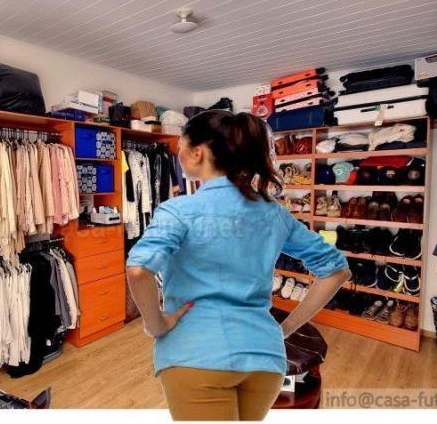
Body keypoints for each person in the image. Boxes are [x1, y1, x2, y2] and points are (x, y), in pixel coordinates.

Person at [126, 110, 350, 421]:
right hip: (265, 358)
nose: (178, 154)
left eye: (181, 146)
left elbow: (139, 271)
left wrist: (157, 325)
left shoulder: (177, 211)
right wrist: (284, 329)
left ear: (198, 153)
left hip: (196, 356)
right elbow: (337, 270)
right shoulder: (274, 213)